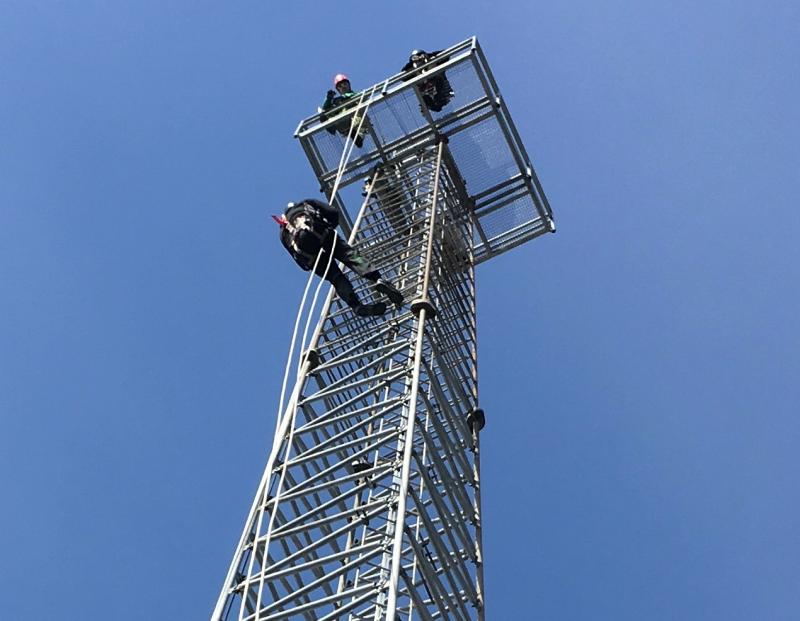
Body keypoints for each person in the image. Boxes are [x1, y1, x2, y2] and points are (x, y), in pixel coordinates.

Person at [274, 199, 404, 317]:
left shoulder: (283, 231)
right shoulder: (305, 204)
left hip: (308, 254)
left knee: (336, 278)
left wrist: (309, 265)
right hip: (321, 233)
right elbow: (332, 212)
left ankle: (356, 306)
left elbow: (295, 256)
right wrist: (331, 226)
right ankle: (377, 279)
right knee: (350, 256)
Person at [319, 74, 368, 148]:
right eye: (340, 86)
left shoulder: (355, 95)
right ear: (338, 90)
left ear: (349, 85)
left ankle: (358, 137)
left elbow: (364, 99)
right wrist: (329, 98)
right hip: (343, 122)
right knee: (324, 115)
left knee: (357, 117)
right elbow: (325, 109)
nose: (343, 86)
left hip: (355, 120)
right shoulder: (337, 101)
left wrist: (344, 98)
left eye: (344, 84)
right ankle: (345, 131)